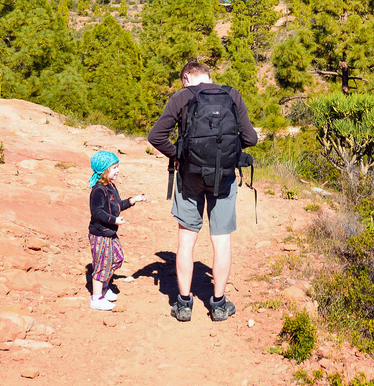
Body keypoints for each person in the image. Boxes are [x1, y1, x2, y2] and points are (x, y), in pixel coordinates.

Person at [147, 60, 258, 322]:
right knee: (221, 241)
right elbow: (251, 139)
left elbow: (156, 136)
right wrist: (227, 153)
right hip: (224, 178)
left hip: (190, 178)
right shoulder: (232, 94)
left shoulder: (181, 97)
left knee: (186, 241)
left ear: (186, 77)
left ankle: (184, 304)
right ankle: (219, 304)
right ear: (208, 77)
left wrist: (180, 156)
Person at [87, 150, 147, 311]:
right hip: (100, 234)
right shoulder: (98, 190)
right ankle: (96, 297)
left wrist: (133, 200)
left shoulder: (111, 186)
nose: (117, 170)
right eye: (114, 167)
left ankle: (105, 287)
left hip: (110, 233)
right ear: (104, 171)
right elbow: (97, 212)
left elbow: (117, 205)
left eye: (117, 166)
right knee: (101, 265)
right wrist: (114, 220)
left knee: (116, 258)